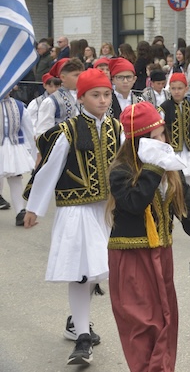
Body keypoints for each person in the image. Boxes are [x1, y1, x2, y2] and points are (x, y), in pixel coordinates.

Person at [22, 69, 123, 366]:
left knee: (96, 270)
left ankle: (76, 322)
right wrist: (34, 208)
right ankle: (82, 338)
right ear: (81, 98)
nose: (102, 100)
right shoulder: (68, 131)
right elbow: (49, 169)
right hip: (76, 210)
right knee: (82, 272)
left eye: (106, 94)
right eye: (95, 95)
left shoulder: (117, 128)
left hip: (107, 210)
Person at [107, 101, 190, 372]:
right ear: (137, 142)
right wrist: (153, 167)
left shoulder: (169, 168)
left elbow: (188, 211)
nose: (162, 142)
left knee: (166, 319)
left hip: (162, 254)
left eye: (163, 134)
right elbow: (134, 203)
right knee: (142, 323)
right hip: (131, 257)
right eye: (154, 138)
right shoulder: (121, 171)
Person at [160, 73, 190, 209]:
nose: (176, 91)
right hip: (172, 151)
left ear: (186, 89)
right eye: (173, 88)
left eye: (180, 88)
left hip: (186, 149)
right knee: (170, 180)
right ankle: (169, 209)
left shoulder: (189, 106)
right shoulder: (164, 107)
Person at [0, 92, 36, 224]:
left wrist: (30, 151)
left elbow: (28, 130)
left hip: (13, 147)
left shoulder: (19, 106)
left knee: (15, 178)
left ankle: (20, 212)